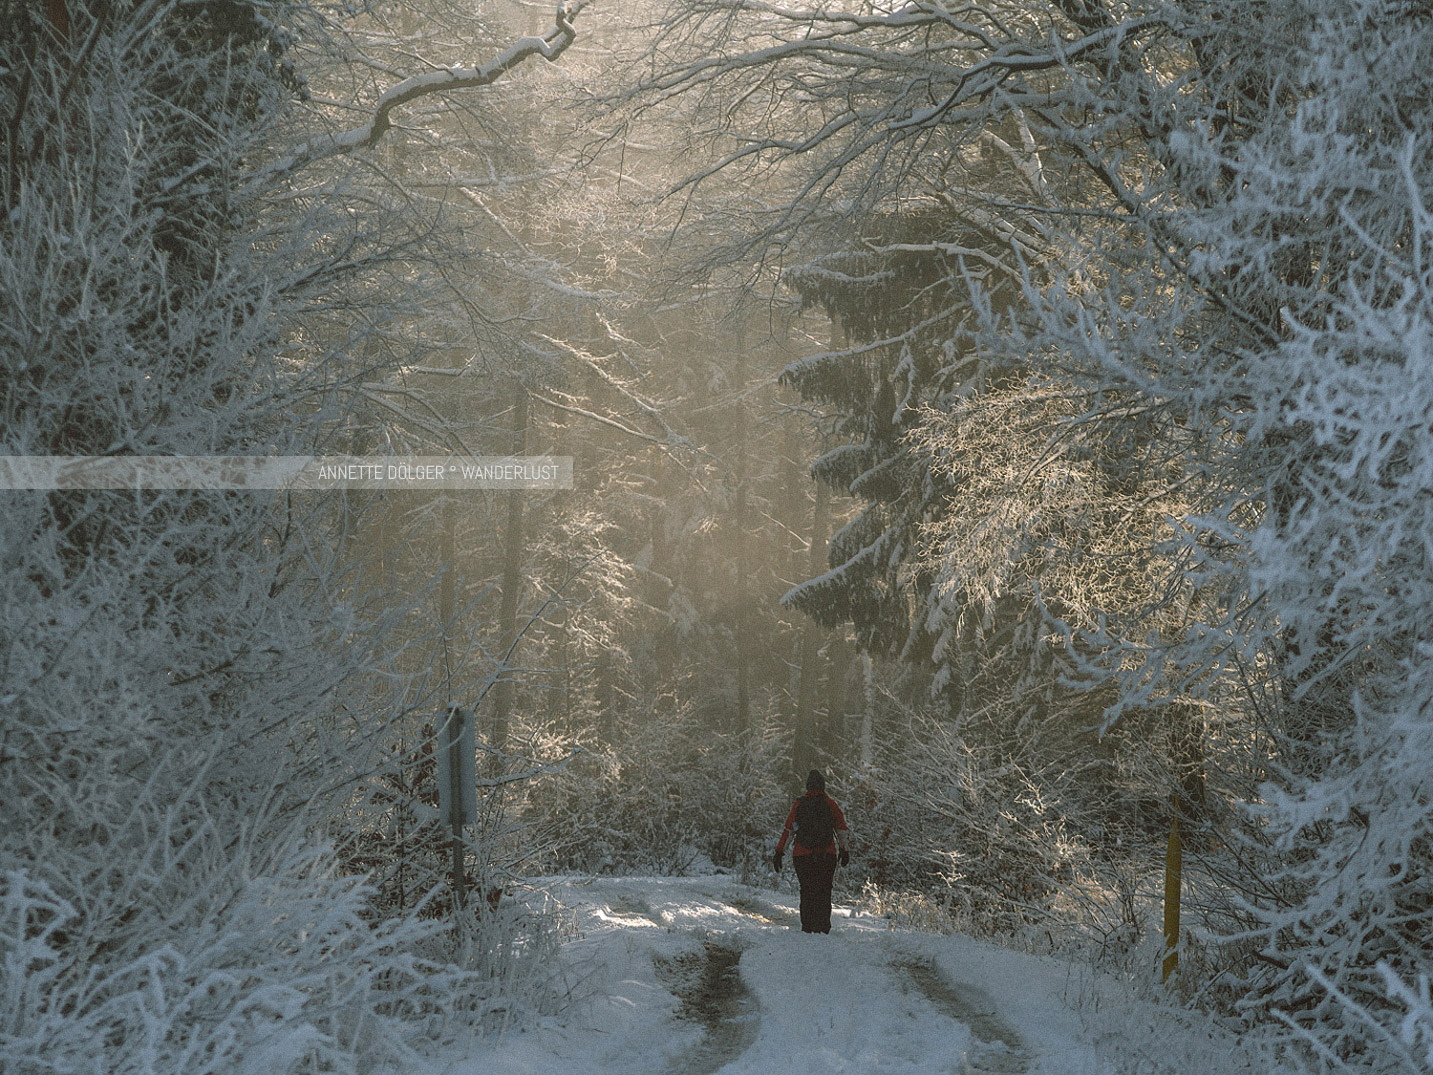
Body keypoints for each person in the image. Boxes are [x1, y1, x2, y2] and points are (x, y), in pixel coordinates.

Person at [772, 769, 851, 933]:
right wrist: (844, 850)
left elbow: (788, 831)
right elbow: (841, 830)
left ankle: (807, 926)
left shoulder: (799, 804)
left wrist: (779, 852)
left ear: (807, 787)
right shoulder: (830, 804)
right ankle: (823, 927)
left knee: (807, 890)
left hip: (803, 856)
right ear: (823, 786)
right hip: (826, 855)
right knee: (824, 890)